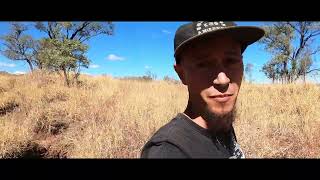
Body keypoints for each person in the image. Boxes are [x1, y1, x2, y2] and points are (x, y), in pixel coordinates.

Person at [141, 21, 265, 158]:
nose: (223, 80)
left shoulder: (220, 122)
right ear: (181, 74)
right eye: (204, 64)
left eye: (231, 61)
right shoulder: (169, 151)